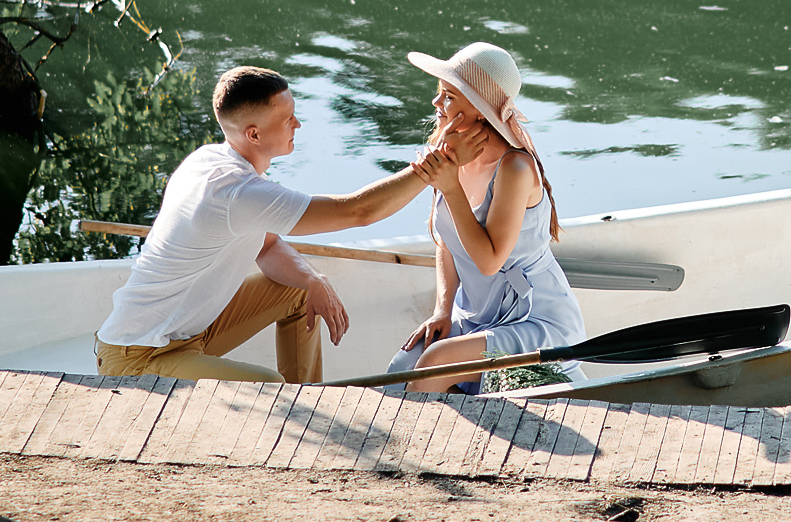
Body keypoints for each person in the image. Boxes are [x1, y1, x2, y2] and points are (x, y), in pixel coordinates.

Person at [93, 65, 488, 382]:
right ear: (254, 133)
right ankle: (295, 416)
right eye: (288, 119)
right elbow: (358, 212)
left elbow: (266, 246)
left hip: (189, 335)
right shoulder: (235, 191)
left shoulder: (214, 160)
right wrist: (437, 165)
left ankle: (308, 400)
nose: (297, 124)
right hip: (138, 357)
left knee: (300, 291)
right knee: (270, 389)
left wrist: (313, 280)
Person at [384, 41, 585, 393]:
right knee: (403, 364)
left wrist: (451, 188)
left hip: (534, 318)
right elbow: (446, 241)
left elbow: (489, 261)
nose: (435, 103)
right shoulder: (452, 152)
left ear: (477, 109)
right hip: (474, 314)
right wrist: (443, 310)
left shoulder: (515, 168)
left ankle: (412, 446)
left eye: (448, 96)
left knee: (434, 363)